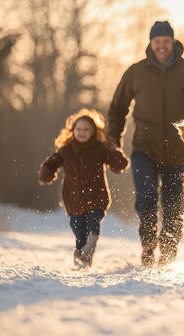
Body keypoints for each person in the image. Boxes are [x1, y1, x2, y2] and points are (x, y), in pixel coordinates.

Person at [107, 20, 184, 266]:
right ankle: (147, 244)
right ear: (151, 43)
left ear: (173, 42)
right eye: (157, 42)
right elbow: (117, 109)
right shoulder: (136, 72)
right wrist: (114, 139)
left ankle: (167, 254)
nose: (162, 46)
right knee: (145, 199)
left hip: (179, 152)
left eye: (166, 41)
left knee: (173, 205)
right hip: (144, 149)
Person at [39, 108, 129, 267]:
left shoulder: (100, 149)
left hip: (97, 197)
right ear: (72, 130)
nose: (82, 132)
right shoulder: (65, 150)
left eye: (86, 129)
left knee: (93, 224)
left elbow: (120, 164)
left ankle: (90, 245)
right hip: (74, 200)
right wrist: (46, 172)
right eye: (79, 129)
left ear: (94, 131)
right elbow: (51, 163)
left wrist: (113, 149)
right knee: (79, 231)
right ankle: (81, 251)